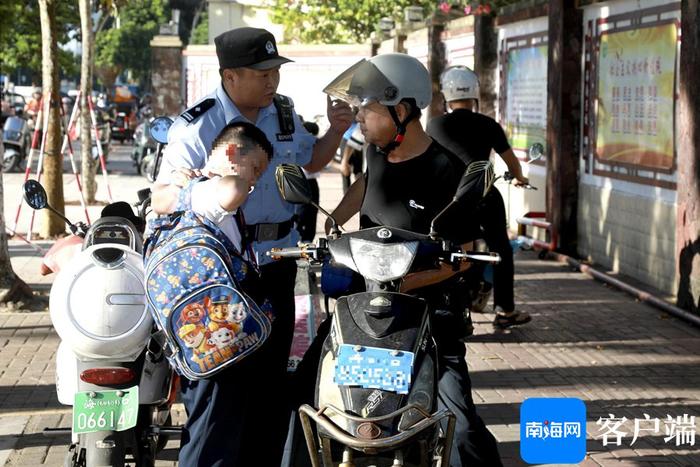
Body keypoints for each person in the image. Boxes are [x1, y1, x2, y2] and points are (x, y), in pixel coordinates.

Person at [150, 26, 353, 465]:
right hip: (218, 278)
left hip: (276, 264)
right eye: (260, 72)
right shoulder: (197, 125)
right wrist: (200, 187)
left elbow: (310, 161)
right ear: (229, 76)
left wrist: (336, 132)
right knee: (220, 388)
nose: (271, 81)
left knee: (269, 382)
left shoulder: (282, 114)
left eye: (274, 70)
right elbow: (163, 197)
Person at [315, 53, 503, 467]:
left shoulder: (448, 171)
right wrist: (330, 224)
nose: (360, 118)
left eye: (368, 109)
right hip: (366, 317)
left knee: (461, 428)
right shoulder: (376, 153)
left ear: (401, 110)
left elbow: (464, 258)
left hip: (429, 320)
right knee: (305, 399)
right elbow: (366, 186)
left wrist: (399, 284)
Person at [163, 121, 277, 466]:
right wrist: (220, 175)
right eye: (255, 166)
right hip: (212, 341)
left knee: (218, 432)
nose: (255, 178)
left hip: (216, 335)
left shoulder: (197, 190)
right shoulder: (208, 190)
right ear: (230, 152)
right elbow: (233, 191)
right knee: (208, 437)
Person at [427, 65, 532, 329]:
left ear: (446, 97)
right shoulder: (488, 124)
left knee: (455, 251)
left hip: (452, 198)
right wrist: (519, 177)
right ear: (475, 95)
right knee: (501, 250)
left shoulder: (435, 125)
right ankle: (505, 310)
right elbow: (511, 162)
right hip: (485, 193)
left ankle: (456, 305)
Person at [296, 120, 321, 242]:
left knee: (308, 211)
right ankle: (303, 238)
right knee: (305, 212)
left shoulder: (311, 144)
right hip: (306, 182)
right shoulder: (303, 144)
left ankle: (305, 239)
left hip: (307, 182)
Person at [338, 119, 364, 193]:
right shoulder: (359, 119)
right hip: (358, 140)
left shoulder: (347, 114)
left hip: (347, 140)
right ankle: (361, 195)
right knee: (358, 170)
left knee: (345, 172)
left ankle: (347, 197)